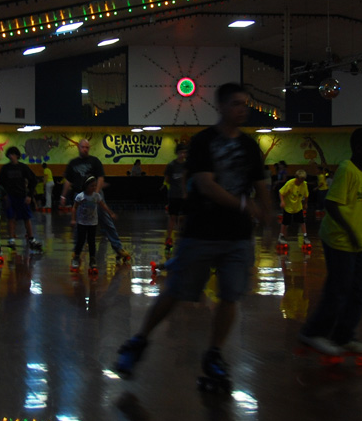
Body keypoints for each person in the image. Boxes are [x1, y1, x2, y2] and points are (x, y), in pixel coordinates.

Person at [115, 83, 272, 386]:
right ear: (223, 107)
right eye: (237, 104)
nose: (244, 109)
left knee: (230, 297)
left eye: (246, 104)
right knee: (176, 292)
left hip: (238, 237)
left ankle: (214, 354)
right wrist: (246, 206)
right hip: (202, 232)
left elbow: (261, 186)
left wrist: (270, 221)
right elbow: (205, 184)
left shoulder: (250, 146)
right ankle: (139, 341)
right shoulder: (203, 142)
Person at [299, 128, 362, 357]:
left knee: (357, 292)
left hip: (355, 245)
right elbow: (332, 205)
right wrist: (352, 232)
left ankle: (344, 337)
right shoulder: (347, 169)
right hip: (339, 241)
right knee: (338, 290)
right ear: (358, 149)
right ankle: (312, 332)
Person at [62, 139, 130, 263]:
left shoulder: (94, 161)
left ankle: (118, 248)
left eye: (87, 147)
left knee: (106, 221)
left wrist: (96, 193)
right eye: (83, 147)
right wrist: (63, 196)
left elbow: (100, 178)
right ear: (79, 147)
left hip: (95, 194)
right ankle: (77, 251)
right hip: (80, 195)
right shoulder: (73, 163)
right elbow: (68, 181)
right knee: (79, 224)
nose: (85, 149)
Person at [0, 146, 43, 251]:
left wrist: (29, 195)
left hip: (22, 196)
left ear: (17, 155)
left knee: (26, 218)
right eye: (9, 154)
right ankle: (11, 238)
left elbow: (33, 180)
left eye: (13, 154)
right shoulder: (5, 168)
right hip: (10, 197)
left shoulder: (23, 167)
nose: (11, 156)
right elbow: (0, 183)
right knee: (11, 218)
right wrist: (4, 196)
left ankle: (31, 238)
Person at [71, 176, 114, 272]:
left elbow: (103, 205)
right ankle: (76, 258)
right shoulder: (80, 196)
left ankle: (92, 260)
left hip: (92, 223)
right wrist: (73, 219)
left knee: (92, 242)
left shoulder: (96, 196)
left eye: (95, 186)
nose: (94, 188)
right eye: (91, 186)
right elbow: (74, 207)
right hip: (82, 222)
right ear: (86, 186)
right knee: (80, 241)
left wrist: (110, 213)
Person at [162, 144, 189, 248]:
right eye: (181, 152)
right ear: (177, 153)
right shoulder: (171, 165)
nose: (183, 155)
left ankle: (183, 237)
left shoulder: (187, 165)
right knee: (173, 217)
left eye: (184, 152)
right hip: (174, 195)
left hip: (184, 195)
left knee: (184, 217)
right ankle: (169, 238)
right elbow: (167, 179)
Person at [278, 169, 310, 249]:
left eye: (303, 180)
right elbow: (281, 192)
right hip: (288, 206)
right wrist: (282, 202)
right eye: (300, 180)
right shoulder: (290, 183)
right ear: (296, 178)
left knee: (302, 221)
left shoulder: (304, 184)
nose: (301, 181)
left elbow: (306, 195)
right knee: (285, 222)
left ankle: (305, 236)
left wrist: (305, 203)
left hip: (297, 207)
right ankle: (281, 236)